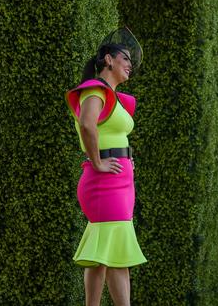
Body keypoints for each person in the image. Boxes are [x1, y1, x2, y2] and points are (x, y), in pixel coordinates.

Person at [65, 27, 147, 306]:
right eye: (125, 58)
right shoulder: (94, 90)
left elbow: (112, 132)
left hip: (120, 181)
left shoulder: (114, 98)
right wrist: (98, 162)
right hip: (104, 182)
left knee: (102, 255)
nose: (130, 65)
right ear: (108, 60)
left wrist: (126, 157)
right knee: (116, 254)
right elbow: (88, 125)